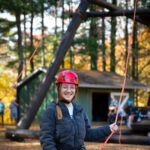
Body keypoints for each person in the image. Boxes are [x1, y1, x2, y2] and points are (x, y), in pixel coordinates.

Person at [40, 70, 118, 150]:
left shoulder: (79, 110)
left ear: (76, 89)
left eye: (72, 87)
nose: (69, 90)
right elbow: (47, 141)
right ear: (59, 88)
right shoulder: (51, 111)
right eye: (65, 87)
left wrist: (108, 129)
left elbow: (87, 134)